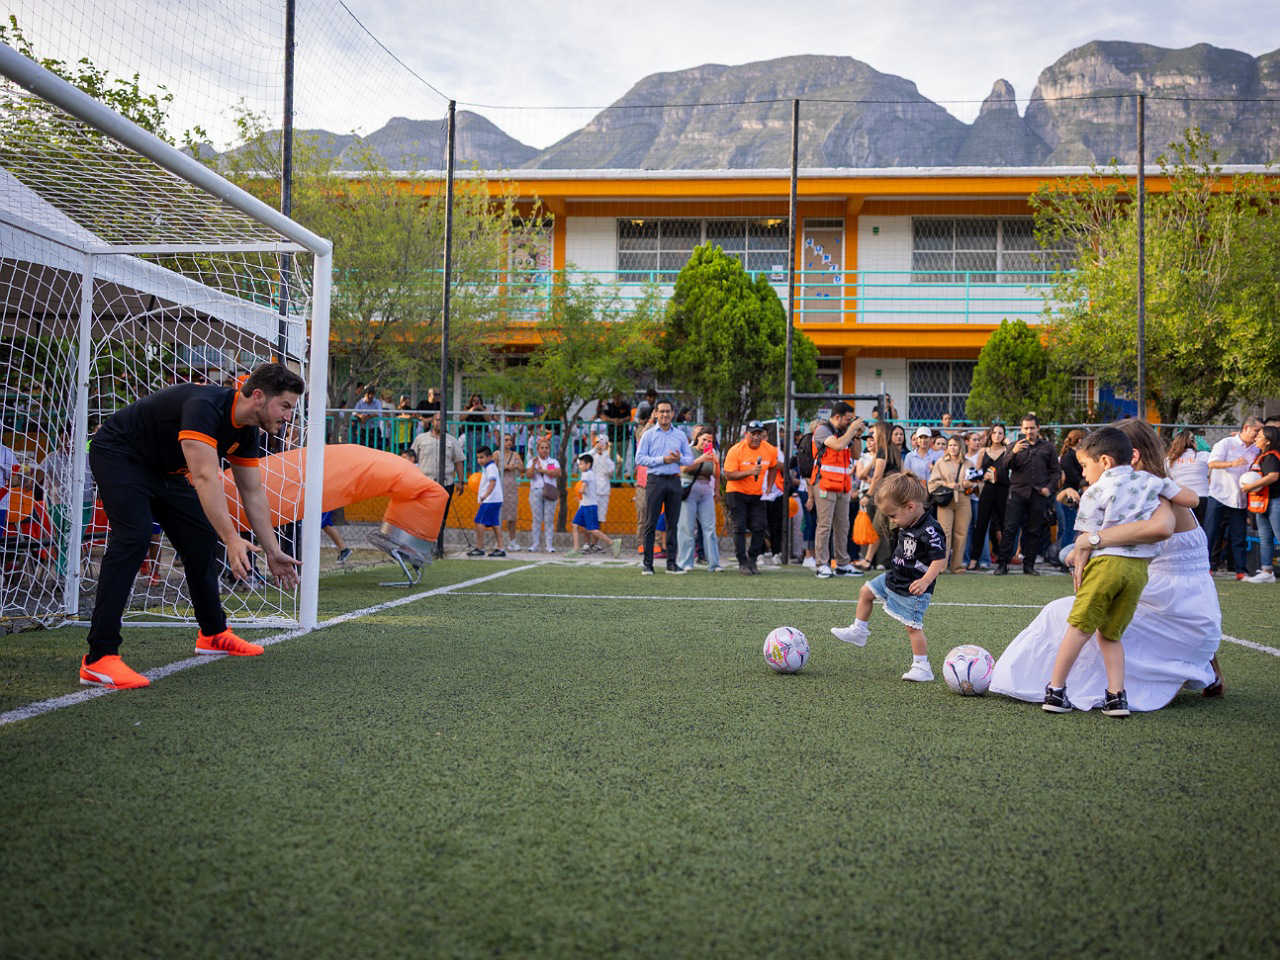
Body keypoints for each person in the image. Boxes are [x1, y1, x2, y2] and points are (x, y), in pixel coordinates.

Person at [79, 363, 305, 690]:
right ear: (258, 396)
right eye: (284, 406)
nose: (288, 416)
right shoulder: (205, 407)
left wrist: (272, 551)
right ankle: (99, 657)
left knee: (200, 537)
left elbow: (253, 492)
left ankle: (213, 634)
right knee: (135, 537)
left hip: (164, 470)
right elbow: (203, 478)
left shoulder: (247, 430)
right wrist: (231, 538)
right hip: (119, 453)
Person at [992, 418, 1222, 711]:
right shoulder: (1138, 491)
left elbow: (1162, 528)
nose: (1087, 475)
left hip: (1173, 614)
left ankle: (1060, 688)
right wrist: (1083, 546)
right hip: (1176, 607)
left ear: (1129, 457)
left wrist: (1092, 540)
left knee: (1066, 619)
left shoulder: (1154, 491)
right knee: (1082, 619)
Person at [1039, 426, 1194, 717]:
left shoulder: (1095, 491)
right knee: (1111, 635)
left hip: (1106, 565)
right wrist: (1161, 489)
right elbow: (1192, 500)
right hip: (1137, 571)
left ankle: (1056, 691)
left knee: (1078, 628)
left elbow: (1084, 539)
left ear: (1106, 462)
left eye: (1085, 465)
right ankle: (1116, 697)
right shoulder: (1149, 481)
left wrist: (1078, 563)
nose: (1083, 473)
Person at [830, 472, 948, 682]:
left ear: (910, 507)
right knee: (866, 591)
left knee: (913, 627)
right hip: (893, 577)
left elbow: (940, 559)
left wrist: (925, 581)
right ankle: (859, 630)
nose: (892, 521)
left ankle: (922, 667)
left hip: (913, 586)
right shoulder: (908, 520)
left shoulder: (930, 530)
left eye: (893, 515)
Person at [994, 414, 1058, 576]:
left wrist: (1049, 488)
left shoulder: (1048, 447)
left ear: (1038, 428)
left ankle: (1029, 565)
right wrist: (1013, 452)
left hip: (1039, 494)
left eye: (1032, 428)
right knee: (1010, 529)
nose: (1029, 431)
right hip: (1017, 493)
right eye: (1026, 428)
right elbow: (1005, 466)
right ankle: (1003, 564)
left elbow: (1056, 472)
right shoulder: (1016, 445)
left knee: (1034, 531)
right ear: (1021, 429)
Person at [634, 399, 693, 575]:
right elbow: (639, 459)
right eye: (662, 412)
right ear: (656, 414)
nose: (665, 415)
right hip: (655, 481)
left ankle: (672, 563)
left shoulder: (680, 435)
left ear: (673, 413)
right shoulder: (649, 435)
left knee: (672, 524)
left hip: (674, 480)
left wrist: (679, 459)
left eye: (668, 411)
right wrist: (662, 460)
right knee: (650, 523)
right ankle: (648, 564)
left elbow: (689, 459)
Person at [811, 401, 864, 579]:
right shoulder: (823, 430)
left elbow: (856, 455)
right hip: (824, 483)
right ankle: (822, 564)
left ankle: (842, 564)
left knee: (843, 526)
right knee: (824, 525)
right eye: (848, 420)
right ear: (837, 417)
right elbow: (838, 445)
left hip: (842, 485)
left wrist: (856, 435)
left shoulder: (846, 433)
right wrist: (852, 429)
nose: (849, 423)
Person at [1205, 417, 1261, 579]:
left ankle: (1241, 571)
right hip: (1219, 494)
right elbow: (1212, 463)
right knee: (1211, 533)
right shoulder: (1226, 443)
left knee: (1239, 535)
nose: (1257, 435)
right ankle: (1206, 566)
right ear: (1246, 428)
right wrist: (1232, 463)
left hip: (1240, 498)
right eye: (1256, 431)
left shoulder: (1256, 449)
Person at [723, 421, 777, 576]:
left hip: (757, 494)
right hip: (736, 492)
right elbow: (728, 475)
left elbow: (773, 466)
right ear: (746, 434)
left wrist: (770, 484)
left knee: (760, 527)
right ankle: (742, 562)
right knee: (739, 527)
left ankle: (752, 559)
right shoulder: (736, 450)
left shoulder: (770, 450)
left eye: (759, 434)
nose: (756, 437)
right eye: (753, 433)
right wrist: (749, 472)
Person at [410, 412, 466, 558]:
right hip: (425, 483)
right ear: (432, 421)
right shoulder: (421, 439)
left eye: (442, 420)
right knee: (424, 515)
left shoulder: (451, 440)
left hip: (446, 483)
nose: (440, 423)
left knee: (442, 516)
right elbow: (411, 458)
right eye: (437, 420)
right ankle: (422, 545)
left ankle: (437, 546)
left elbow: (458, 461)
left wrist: (460, 481)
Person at [676, 426, 723, 573]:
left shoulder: (712, 453)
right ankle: (685, 562)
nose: (706, 443)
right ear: (698, 439)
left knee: (709, 527)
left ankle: (714, 564)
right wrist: (700, 459)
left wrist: (716, 463)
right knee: (686, 527)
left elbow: (716, 475)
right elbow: (684, 469)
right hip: (689, 486)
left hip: (706, 488)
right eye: (704, 440)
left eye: (710, 440)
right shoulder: (689, 450)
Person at [858, 420, 902, 571]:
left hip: (885, 494)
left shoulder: (883, 451)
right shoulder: (895, 450)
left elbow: (877, 477)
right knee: (889, 529)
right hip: (895, 493)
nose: (872, 435)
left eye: (875, 432)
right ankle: (872, 560)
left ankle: (868, 560)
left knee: (877, 528)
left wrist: (868, 495)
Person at [1241, 425, 1280, 584]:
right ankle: (1267, 571)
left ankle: (1267, 571)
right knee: (1265, 538)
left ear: (1268, 441)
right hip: (1262, 502)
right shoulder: (1262, 455)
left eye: (1260, 436)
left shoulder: (1271, 457)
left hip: (1274, 501)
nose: (1256, 438)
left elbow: (1273, 476)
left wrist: (1249, 487)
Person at [927, 435, 971, 574]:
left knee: (961, 533)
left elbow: (976, 487)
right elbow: (932, 483)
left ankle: (957, 566)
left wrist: (969, 485)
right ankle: (941, 566)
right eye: (950, 445)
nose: (952, 448)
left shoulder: (968, 463)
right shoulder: (941, 462)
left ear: (961, 447)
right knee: (944, 533)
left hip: (963, 499)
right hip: (945, 500)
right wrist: (947, 484)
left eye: (955, 445)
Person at [969, 424, 1010, 570]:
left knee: (1004, 526)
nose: (997, 435)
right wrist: (983, 475)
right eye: (995, 432)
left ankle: (1003, 560)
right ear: (990, 435)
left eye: (1000, 433)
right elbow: (976, 474)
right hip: (987, 490)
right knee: (981, 525)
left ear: (1004, 435)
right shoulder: (983, 451)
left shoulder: (1007, 450)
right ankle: (974, 559)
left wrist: (1008, 443)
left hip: (1003, 490)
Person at [566, 453, 621, 559]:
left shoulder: (588, 474)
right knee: (575, 525)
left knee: (591, 529)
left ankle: (612, 543)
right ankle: (576, 549)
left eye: (582, 464)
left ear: (588, 464)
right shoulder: (586, 473)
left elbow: (583, 487)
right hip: (584, 505)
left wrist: (579, 491)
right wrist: (580, 495)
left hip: (590, 506)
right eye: (579, 463)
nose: (579, 466)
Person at [1054, 428, 1086, 568]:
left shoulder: (1072, 455)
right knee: (1068, 528)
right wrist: (1084, 484)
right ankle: (1064, 561)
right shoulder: (1069, 456)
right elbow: (1073, 476)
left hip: (1071, 494)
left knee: (1068, 528)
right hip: (1067, 496)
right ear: (1080, 441)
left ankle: (1064, 558)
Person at [1165, 429, 1211, 527]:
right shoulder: (1204, 455)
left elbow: (1167, 479)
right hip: (1203, 497)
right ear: (1193, 442)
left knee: (1185, 529)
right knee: (1202, 528)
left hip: (1181, 498)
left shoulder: (1169, 460)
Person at [467, 445, 505, 557]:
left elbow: (492, 483)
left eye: (482, 457)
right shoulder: (488, 467)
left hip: (490, 500)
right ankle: (500, 548)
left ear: (489, 457)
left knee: (479, 521)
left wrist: (484, 496)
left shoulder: (491, 468)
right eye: (478, 458)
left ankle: (480, 547)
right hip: (495, 499)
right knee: (494, 523)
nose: (479, 460)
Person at [525, 436, 560, 553]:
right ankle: (535, 544)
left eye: (546, 448)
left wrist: (543, 470)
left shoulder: (553, 461)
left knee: (549, 519)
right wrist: (533, 466)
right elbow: (528, 475)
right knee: (536, 519)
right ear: (538, 449)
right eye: (542, 448)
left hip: (549, 491)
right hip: (536, 491)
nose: (544, 450)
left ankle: (549, 545)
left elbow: (557, 473)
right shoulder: (532, 461)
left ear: (549, 449)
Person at [961, 431, 990, 570]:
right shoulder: (963, 458)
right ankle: (965, 559)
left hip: (981, 498)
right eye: (974, 440)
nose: (977, 442)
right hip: (966, 498)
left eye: (979, 440)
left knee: (983, 529)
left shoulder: (982, 455)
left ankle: (984, 559)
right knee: (967, 530)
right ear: (967, 442)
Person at [500, 433, 525, 551]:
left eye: (510, 440)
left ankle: (512, 540)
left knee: (512, 515)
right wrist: (505, 466)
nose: (508, 442)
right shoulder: (496, 454)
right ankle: (498, 541)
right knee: (498, 515)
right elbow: (493, 466)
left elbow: (522, 468)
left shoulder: (515, 454)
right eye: (506, 440)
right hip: (499, 487)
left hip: (511, 487)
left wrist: (516, 465)